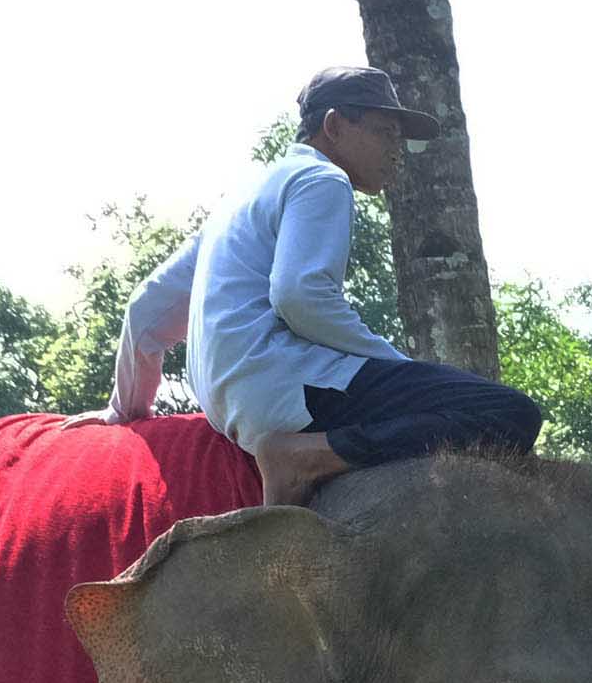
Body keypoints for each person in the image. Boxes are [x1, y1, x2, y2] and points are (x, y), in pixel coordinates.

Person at [108, 65, 546, 506]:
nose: (397, 151)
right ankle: (302, 458)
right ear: (334, 126)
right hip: (288, 389)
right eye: (384, 133)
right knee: (511, 413)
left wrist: (126, 411)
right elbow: (300, 297)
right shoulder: (322, 178)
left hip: (230, 405)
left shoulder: (240, 197)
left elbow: (146, 310)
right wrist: (395, 363)